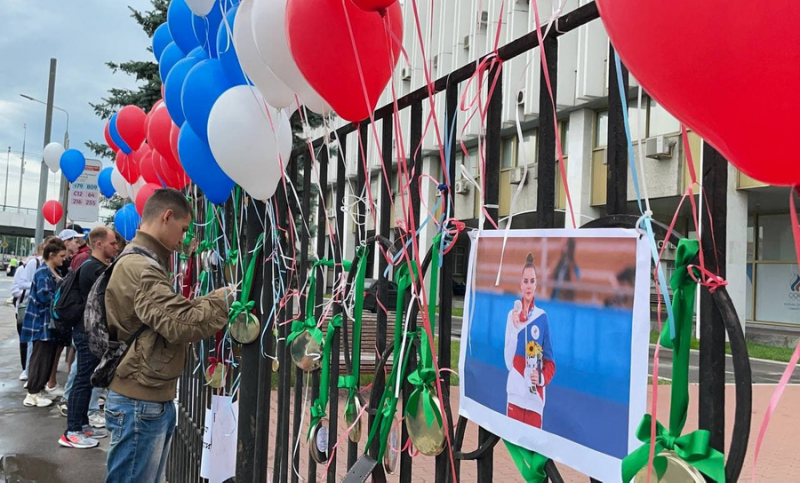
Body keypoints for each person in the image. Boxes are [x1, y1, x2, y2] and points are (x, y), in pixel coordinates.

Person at [104, 188, 232, 483]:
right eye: (183, 229)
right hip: (139, 400)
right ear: (167, 216)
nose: (184, 238)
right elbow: (181, 322)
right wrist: (223, 299)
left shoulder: (141, 260)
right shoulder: (141, 267)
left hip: (144, 396)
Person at [59, 227, 118, 449]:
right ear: (99, 244)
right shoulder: (93, 268)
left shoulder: (95, 267)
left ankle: (82, 424)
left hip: (87, 331)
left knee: (86, 378)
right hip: (86, 331)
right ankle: (71, 431)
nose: (116, 247)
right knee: (83, 380)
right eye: (112, 243)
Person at [504, 253, 556, 429]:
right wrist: (514, 330)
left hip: (535, 400)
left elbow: (550, 363)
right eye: (525, 281)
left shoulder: (542, 318)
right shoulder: (512, 316)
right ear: (520, 283)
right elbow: (508, 363)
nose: (528, 286)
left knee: (533, 454)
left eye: (532, 281)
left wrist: (540, 378)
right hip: (515, 396)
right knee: (515, 450)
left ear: (536, 284)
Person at [20, 238, 68, 408]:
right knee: (40, 357)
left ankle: (39, 388)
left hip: (48, 323)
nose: (64, 259)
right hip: (40, 322)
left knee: (47, 356)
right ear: (52, 255)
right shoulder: (43, 273)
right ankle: (32, 392)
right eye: (61, 256)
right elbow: (44, 296)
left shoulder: (53, 271)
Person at [11, 238, 54, 381]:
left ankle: (33, 373)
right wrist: (35, 287)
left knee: (36, 344)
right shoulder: (34, 265)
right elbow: (19, 286)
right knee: (28, 341)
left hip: (39, 310)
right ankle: (27, 371)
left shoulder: (51, 268)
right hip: (28, 308)